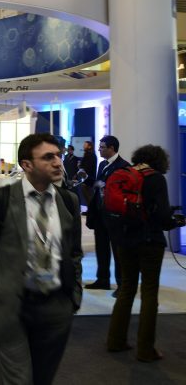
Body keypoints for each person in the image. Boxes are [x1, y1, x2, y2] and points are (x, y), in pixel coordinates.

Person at [0, 133, 83, 385]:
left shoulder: (69, 201)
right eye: (48, 157)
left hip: (55, 309)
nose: (58, 162)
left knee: (42, 379)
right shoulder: (1, 200)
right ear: (27, 165)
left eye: (58, 155)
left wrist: (73, 296)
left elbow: (74, 253)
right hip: (9, 307)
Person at [106, 144, 184, 362]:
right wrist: (173, 221)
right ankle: (145, 349)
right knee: (149, 293)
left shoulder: (125, 174)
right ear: (160, 161)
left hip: (124, 240)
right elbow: (161, 216)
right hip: (149, 242)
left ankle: (115, 340)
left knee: (127, 289)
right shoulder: (156, 178)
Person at [85, 135, 130, 295]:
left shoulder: (124, 166)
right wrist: (89, 181)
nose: (99, 149)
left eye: (102, 147)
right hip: (100, 215)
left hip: (115, 217)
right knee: (101, 249)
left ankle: (122, 284)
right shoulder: (102, 164)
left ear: (112, 148)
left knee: (118, 252)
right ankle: (103, 280)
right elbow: (99, 185)